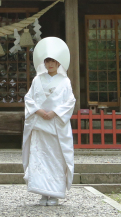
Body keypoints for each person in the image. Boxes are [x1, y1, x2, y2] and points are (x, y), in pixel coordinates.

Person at [22, 36, 76, 206]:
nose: (50, 64)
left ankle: (54, 194)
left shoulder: (65, 81)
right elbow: (29, 98)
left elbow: (70, 102)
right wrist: (38, 111)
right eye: (47, 61)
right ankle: (42, 193)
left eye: (53, 61)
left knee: (55, 159)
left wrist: (55, 112)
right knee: (39, 158)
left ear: (59, 63)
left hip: (55, 125)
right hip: (39, 124)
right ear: (43, 63)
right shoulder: (37, 80)